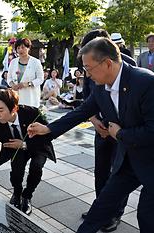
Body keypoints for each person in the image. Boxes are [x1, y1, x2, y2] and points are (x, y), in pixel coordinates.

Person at [27, 37, 154, 233]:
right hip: (128, 160)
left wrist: (120, 134)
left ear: (108, 63)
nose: (86, 74)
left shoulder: (145, 82)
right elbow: (81, 111)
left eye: (88, 68)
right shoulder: (100, 87)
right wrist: (48, 129)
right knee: (101, 207)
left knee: (147, 216)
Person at [80, 29, 137, 232]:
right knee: (100, 170)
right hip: (100, 127)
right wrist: (94, 121)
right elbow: (88, 98)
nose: (87, 72)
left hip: (121, 131)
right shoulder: (90, 65)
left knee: (119, 172)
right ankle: (101, 208)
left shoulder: (128, 64)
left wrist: (118, 131)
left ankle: (115, 213)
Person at [0, 89, 55, 215]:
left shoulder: (32, 113)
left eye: (1, 110)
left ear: (14, 109)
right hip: (15, 148)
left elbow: (49, 135)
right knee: (17, 172)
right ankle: (17, 193)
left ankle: (27, 196)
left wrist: (24, 144)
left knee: (36, 167)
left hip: (37, 146)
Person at [7, 38, 44, 108]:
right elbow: (9, 78)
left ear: (28, 48)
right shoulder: (13, 62)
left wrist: (28, 84)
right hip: (16, 96)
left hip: (30, 97)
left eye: (23, 47)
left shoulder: (35, 62)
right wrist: (12, 85)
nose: (20, 50)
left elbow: (40, 79)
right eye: (18, 48)